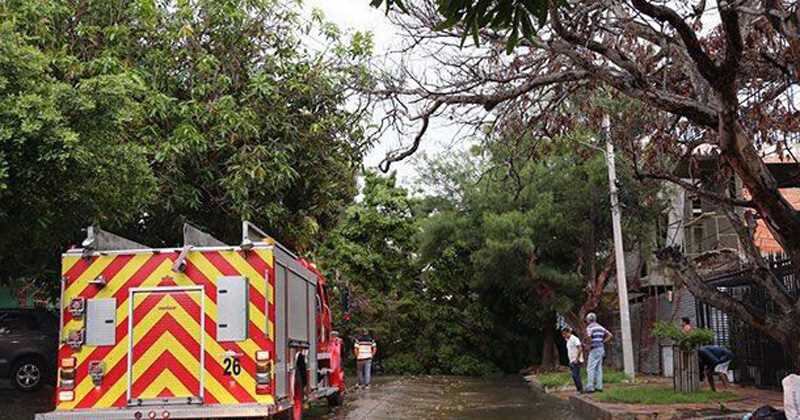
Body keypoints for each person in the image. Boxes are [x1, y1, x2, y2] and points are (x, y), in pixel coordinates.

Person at [584, 313, 613, 393]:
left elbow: (589, 337)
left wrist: (589, 346)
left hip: (594, 349)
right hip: (601, 348)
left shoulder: (590, 327)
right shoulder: (600, 327)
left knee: (590, 368)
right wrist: (602, 341)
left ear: (588, 320)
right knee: (598, 368)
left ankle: (590, 387)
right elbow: (610, 335)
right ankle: (599, 386)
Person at [561, 327, 584, 393]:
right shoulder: (568, 340)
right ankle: (578, 389)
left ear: (569, 333)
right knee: (574, 376)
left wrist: (577, 359)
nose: (564, 336)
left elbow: (580, 348)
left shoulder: (574, 339)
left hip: (576, 360)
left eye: (565, 334)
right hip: (571, 360)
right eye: (563, 334)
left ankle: (580, 389)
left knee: (575, 375)